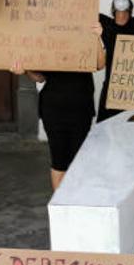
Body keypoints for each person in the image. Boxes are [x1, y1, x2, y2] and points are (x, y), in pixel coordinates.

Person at [11, 24, 106, 190]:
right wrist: (25, 71)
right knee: (59, 160)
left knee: (78, 160)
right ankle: (59, 210)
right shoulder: (48, 39)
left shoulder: (85, 35)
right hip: (53, 110)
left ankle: (74, 204)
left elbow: (99, 64)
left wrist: (97, 37)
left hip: (80, 108)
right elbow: (40, 78)